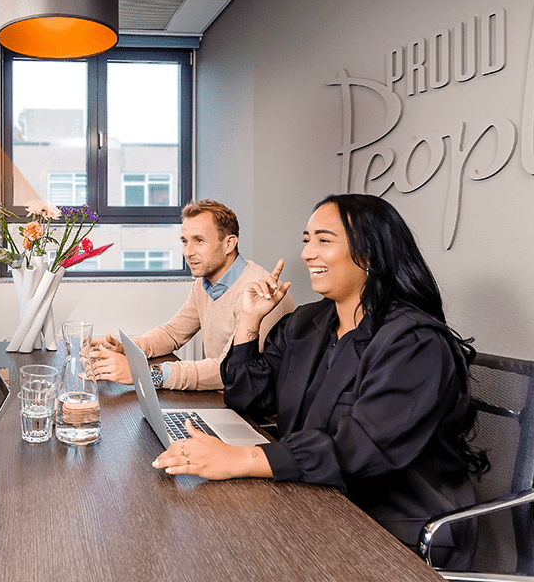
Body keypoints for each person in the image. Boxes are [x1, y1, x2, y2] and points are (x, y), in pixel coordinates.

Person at [152, 193, 487, 569]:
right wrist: (249, 321)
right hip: (316, 496)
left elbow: (359, 447)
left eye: (324, 241)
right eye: (306, 241)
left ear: (370, 253)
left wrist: (240, 459)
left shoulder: (415, 342)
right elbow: (248, 397)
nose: (308, 253)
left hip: (393, 524)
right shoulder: (308, 323)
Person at [89, 199, 294, 390]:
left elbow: (227, 369)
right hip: (225, 398)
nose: (188, 251)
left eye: (199, 241)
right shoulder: (203, 284)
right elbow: (172, 333)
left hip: (260, 416)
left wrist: (143, 373)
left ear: (229, 244)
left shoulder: (257, 291)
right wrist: (129, 349)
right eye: (185, 241)